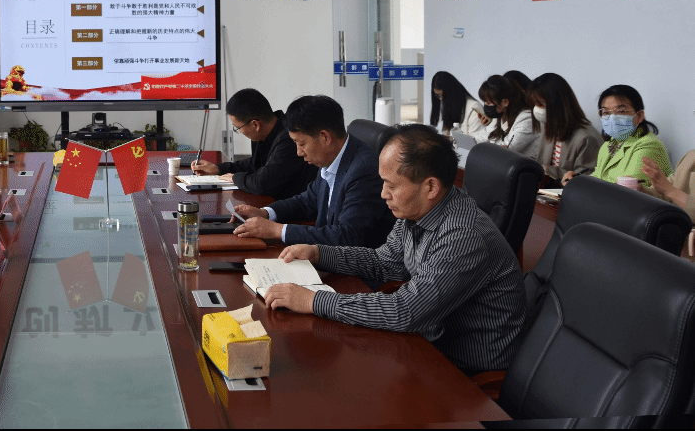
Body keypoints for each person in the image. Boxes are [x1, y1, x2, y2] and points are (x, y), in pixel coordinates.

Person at [262, 124, 525, 375]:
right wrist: (319, 254)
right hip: (427, 342)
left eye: (392, 185)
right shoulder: (417, 210)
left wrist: (312, 300)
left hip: (463, 371)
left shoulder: (464, 236)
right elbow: (384, 262)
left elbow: (406, 311)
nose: (383, 194)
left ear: (430, 187)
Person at [232, 95, 393, 248]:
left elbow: (347, 236)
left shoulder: (364, 170)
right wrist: (265, 213)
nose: (299, 152)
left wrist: (277, 230)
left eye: (301, 144)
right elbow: (307, 201)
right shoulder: (332, 157)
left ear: (325, 138)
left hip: (351, 265)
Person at [190, 88, 317, 199]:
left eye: (238, 127)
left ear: (255, 124)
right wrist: (218, 169)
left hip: (294, 208)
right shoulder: (264, 134)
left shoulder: (288, 138)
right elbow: (254, 164)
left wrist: (235, 178)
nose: (239, 131)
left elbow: (263, 184)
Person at [526, 73, 602, 185]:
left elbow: (584, 178)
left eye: (540, 104)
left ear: (558, 104)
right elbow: (539, 159)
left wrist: (548, 170)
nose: (536, 109)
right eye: (534, 104)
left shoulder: (586, 138)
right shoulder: (549, 127)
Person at [591, 84, 672, 186]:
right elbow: (595, 178)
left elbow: (628, 189)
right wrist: (576, 181)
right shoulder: (608, 145)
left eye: (621, 111)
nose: (612, 118)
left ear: (639, 116)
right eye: (606, 112)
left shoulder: (649, 145)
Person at [477, 74, 539, 157]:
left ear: (505, 102)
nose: (486, 106)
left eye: (488, 103)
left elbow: (507, 150)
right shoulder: (500, 116)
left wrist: (486, 145)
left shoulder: (527, 119)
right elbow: (481, 137)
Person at [429, 71, 489, 141]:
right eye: (438, 96)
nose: (441, 99)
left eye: (443, 95)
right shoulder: (448, 108)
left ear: (452, 92)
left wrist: (452, 139)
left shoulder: (473, 108)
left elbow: (476, 143)